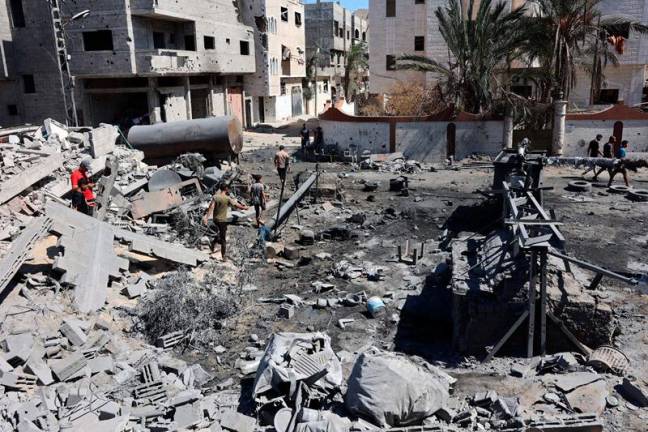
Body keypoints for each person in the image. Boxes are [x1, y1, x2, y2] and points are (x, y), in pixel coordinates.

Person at [202, 184, 248, 261]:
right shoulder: (227, 198)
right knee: (223, 239)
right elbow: (236, 206)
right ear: (226, 189)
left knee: (219, 234)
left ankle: (213, 243)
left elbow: (211, 207)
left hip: (215, 220)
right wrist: (244, 207)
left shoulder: (215, 197)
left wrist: (206, 218)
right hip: (223, 220)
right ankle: (223, 256)